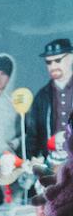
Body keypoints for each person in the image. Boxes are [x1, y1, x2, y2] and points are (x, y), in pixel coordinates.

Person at [26, 37, 73, 167]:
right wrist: (32, 159)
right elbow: (32, 134)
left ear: (71, 58)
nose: (53, 66)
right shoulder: (41, 96)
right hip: (51, 165)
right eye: (48, 62)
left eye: (58, 60)